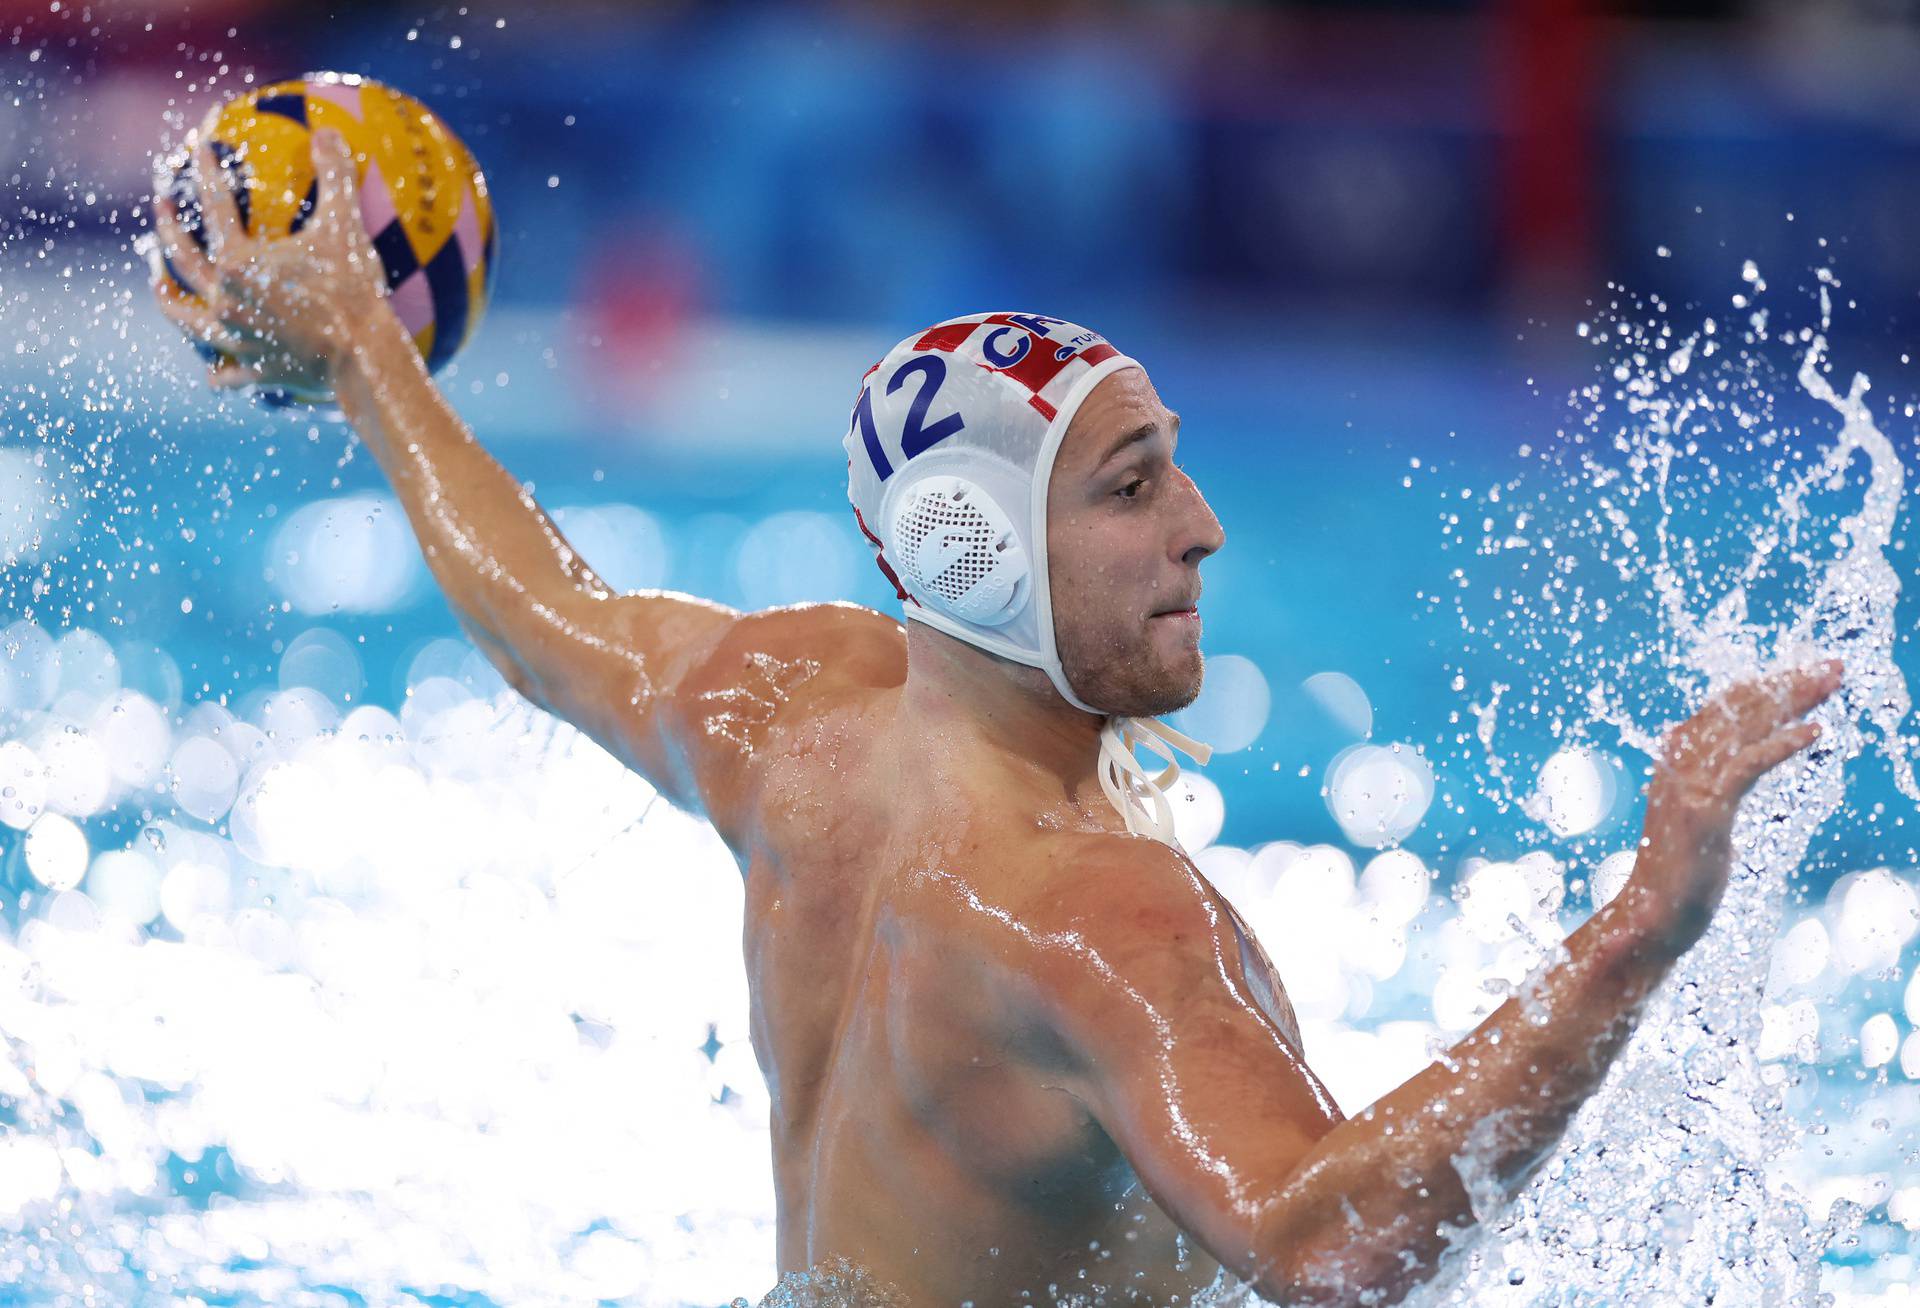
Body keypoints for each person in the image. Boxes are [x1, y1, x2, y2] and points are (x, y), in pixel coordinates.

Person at [148, 130, 1842, 1305]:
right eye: (1130, 488)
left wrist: (366, 353)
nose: (1203, 528)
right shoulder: (1102, 918)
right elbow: (1327, 1248)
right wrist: (1643, 923)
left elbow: (548, 624)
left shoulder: (791, 718)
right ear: (972, 553)